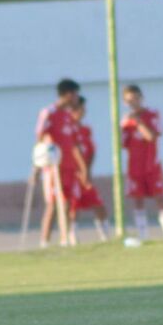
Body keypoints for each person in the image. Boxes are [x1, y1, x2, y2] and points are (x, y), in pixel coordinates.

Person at [34, 78, 88, 247]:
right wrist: (37, 167)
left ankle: (65, 239)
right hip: (53, 167)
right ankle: (45, 242)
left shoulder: (68, 116)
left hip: (70, 166)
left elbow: (74, 144)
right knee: (52, 203)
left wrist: (83, 168)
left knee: (68, 204)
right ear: (67, 94)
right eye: (75, 94)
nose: (76, 98)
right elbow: (40, 138)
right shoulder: (48, 112)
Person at [120, 84, 163, 241]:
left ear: (141, 98)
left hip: (151, 165)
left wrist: (138, 122)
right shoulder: (126, 121)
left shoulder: (152, 114)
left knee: (159, 197)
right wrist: (122, 127)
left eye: (135, 99)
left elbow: (151, 136)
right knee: (138, 200)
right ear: (125, 102)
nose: (133, 103)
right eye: (129, 101)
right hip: (134, 166)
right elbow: (123, 144)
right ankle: (143, 236)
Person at [69, 96, 110, 242]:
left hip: (85, 173)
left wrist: (88, 170)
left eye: (82, 108)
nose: (82, 111)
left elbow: (91, 151)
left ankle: (105, 235)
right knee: (74, 206)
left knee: (97, 203)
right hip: (72, 174)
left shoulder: (85, 130)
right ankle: (72, 237)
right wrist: (82, 169)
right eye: (79, 108)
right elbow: (73, 149)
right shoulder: (68, 129)